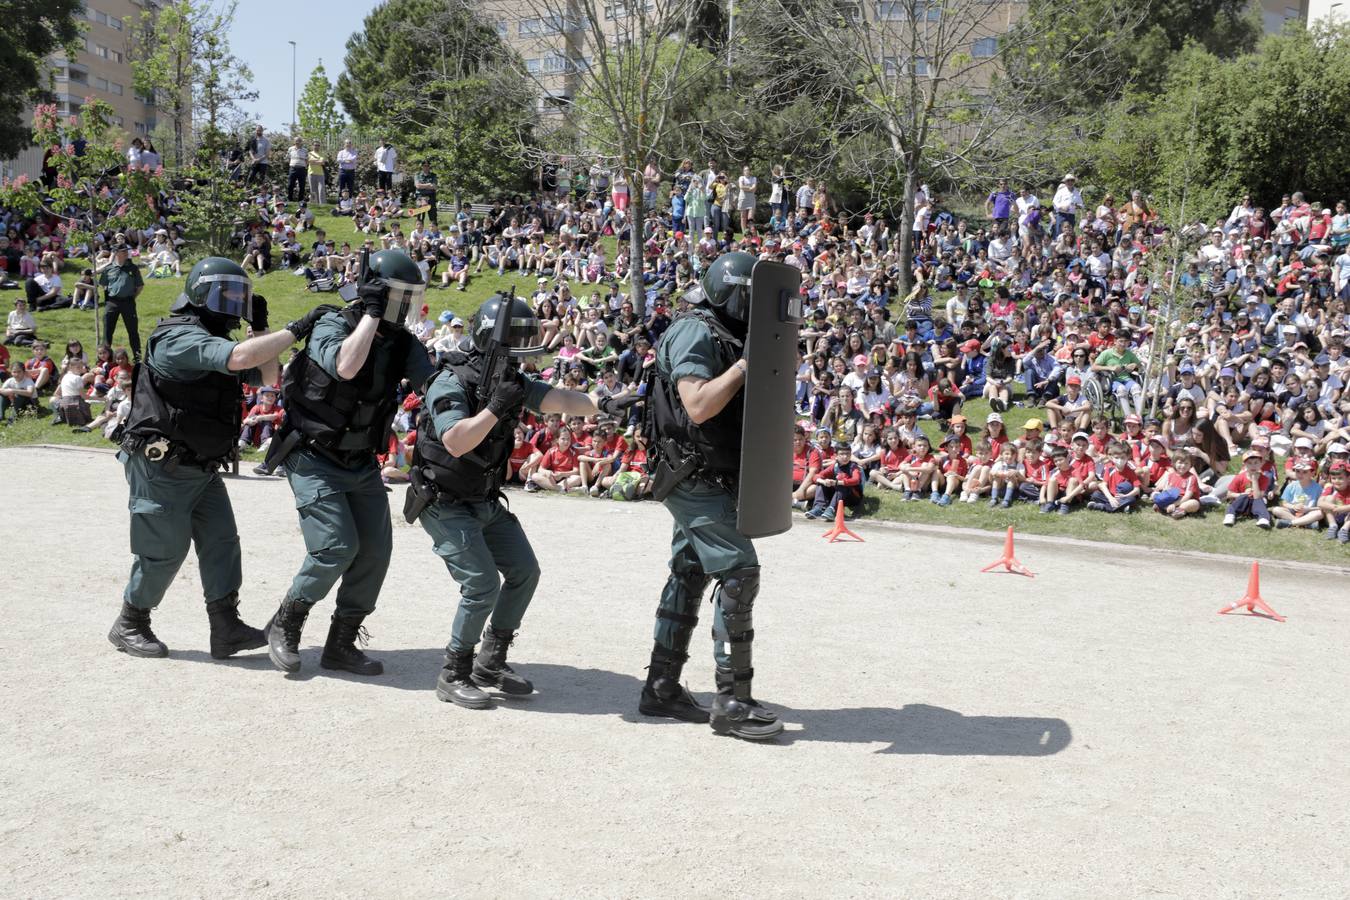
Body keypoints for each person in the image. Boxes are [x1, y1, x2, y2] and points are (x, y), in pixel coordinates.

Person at [409, 294, 636, 708]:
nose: (521, 358)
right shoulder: (451, 381)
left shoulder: (508, 380)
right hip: (444, 500)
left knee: (524, 571)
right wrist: (496, 408)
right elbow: (456, 441)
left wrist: (602, 402)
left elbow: (558, 399)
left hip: (482, 498)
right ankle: (454, 672)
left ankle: (491, 662)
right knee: (480, 584)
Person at [107, 257, 320, 659]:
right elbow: (240, 359)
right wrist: (296, 329)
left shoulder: (219, 339)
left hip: (200, 466)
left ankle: (226, 627)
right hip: (161, 467)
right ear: (199, 293)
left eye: (240, 294)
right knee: (163, 552)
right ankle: (131, 622)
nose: (234, 301)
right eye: (226, 292)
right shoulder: (178, 337)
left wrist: (261, 326)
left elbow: (268, 375)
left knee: (222, 543)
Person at [262, 249, 436, 677]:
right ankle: (286, 623)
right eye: (396, 297)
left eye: (407, 299)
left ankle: (341, 641)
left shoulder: (402, 343)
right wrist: (370, 316)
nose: (403, 308)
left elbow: (434, 387)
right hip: (312, 455)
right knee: (335, 547)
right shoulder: (331, 323)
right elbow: (345, 365)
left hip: (360, 461)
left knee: (375, 552)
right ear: (373, 291)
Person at [638, 250, 784, 741]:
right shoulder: (696, 330)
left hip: (708, 472)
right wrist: (748, 364)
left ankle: (661, 686)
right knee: (740, 574)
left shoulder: (724, 331)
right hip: (694, 473)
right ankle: (733, 702)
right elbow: (697, 405)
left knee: (689, 572)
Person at [97, 241, 145, 361]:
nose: (125, 253)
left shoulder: (132, 268)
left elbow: (139, 286)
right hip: (112, 302)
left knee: (133, 331)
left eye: (126, 251)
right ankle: (105, 359)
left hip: (128, 302)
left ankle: (137, 357)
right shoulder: (109, 268)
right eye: (123, 251)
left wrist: (132, 297)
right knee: (107, 331)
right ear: (116, 253)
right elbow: (103, 284)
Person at [413, 161, 438, 226]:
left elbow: (434, 187)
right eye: (424, 165)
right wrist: (429, 184)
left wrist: (422, 186)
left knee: (433, 215)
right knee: (420, 214)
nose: (426, 167)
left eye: (427, 165)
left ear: (429, 166)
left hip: (431, 196)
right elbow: (417, 186)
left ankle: (434, 230)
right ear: (422, 166)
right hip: (420, 196)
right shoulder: (417, 175)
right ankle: (419, 229)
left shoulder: (433, 175)